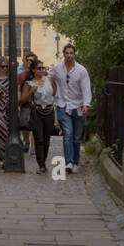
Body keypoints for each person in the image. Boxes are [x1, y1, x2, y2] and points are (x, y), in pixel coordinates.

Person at [50, 42, 92, 173]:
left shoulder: (81, 70)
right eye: (66, 53)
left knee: (76, 137)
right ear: (63, 54)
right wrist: (55, 91)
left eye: (71, 53)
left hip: (78, 105)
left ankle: (75, 161)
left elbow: (86, 89)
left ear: (74, 54)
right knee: (68, 134)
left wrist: (86, 104)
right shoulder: (57, 68)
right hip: (62, 105)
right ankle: (68, 162)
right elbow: (49, 77)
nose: (69, 55)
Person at [21, 59, 57, 173]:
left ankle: (43, 161)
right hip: (37, 112)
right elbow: (22, 100)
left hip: (49, 111)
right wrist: (31, 91)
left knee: (46, 139)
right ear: (33, 70)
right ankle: (41, 165)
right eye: (39, 68)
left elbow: (55, 93)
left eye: (43, 68)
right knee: (39, 139)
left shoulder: (50, 80)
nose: (42, 70)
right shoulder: (29, 83)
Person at [17, 52, 38, 154]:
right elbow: (18, 90)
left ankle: (33, 148)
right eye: (27, 60)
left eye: (32, 60)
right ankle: (27, 141)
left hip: (37, 103)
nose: (29, 62)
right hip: (25, 102)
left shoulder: (39, 74)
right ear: (24, 61)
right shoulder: (21, 75)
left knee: (35, 126)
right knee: (25, 126)